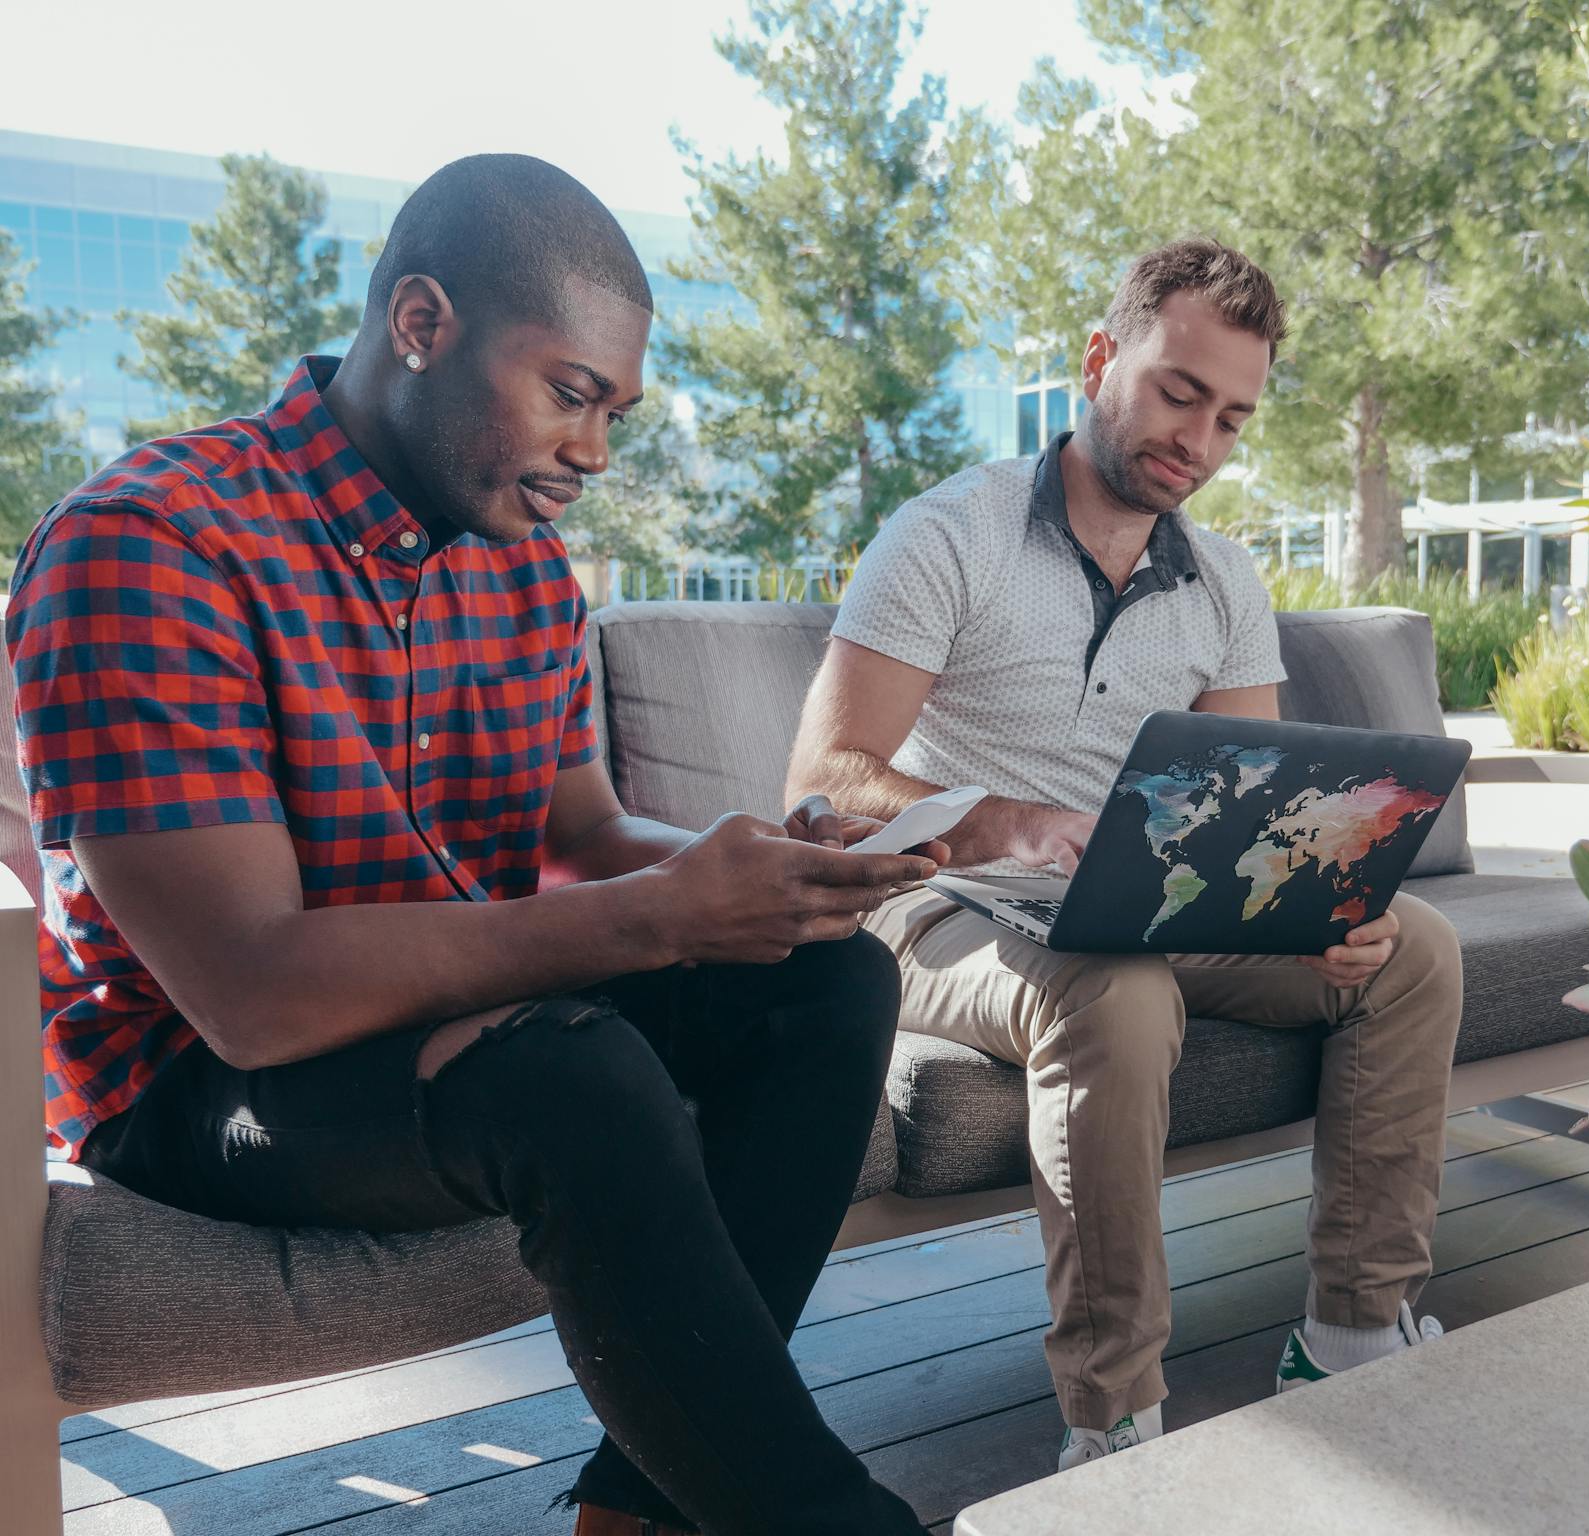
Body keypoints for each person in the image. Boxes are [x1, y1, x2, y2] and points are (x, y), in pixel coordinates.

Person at [7, 155, 936, 1536]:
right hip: (197, 1076)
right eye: (570, 394)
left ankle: (640, 1508)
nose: (598, 454)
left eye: (616, 410)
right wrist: (658, 917)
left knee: (832, 985)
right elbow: (251, 996)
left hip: (456, 1004)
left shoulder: (524, 570)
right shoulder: (152, 545)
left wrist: (750, 872)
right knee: (577, 1078)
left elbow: (582, 831)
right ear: (423, 325)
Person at [785, 238, 1464, 1469]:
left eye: (1229, 418)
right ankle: (1114, 1423)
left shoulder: (1221, 580)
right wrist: (1007, 822)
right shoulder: (948, 536)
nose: (1196, 440)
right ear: (1100, 359)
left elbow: (1258, 813)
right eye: (1175, 392)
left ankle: (1350, 1335)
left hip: (1150, 901)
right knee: (1114, 987)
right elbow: (824, 784)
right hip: (943, 904)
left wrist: (1322, 900)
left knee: (1411, 951)